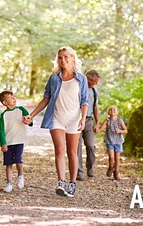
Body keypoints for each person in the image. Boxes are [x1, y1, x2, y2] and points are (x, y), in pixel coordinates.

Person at [24, 46, 89, 197]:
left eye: (66, 56)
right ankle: (61, 182)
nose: (63, 60)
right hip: (56, 118)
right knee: (59, 150)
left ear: (73, 58)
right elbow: (46, 98)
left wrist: (83, 119)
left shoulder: (81, 78)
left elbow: (85, 101)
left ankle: (72, 183)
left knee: (72, 152)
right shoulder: (54, 77)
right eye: (60, 57)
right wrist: (31, 115)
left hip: (74, 119)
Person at [0, 91, 33, 193]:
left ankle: (20, 176)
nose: (14, 98)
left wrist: (28, 121)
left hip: (19, 140)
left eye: (14, 96)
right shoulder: (3, 115)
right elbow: (1, 130)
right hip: (8, 142)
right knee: (8, 163)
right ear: (5, 102)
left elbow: (30, 120)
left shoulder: (21, 109)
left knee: (18, 160)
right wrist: (3, 143)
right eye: (11, 97)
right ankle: (9, 183)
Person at [76, 69, 101, 181]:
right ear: (88, 79)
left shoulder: (94, 91)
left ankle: (90, 167)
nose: (96, 84)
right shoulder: (78, 87)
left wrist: (97, 123)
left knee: (91, 146)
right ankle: (79, 172)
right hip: (76, 120)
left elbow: (96, 107)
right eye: (94, 81)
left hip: (88, 120)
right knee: (77, 147)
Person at [97, 105, 127, 181]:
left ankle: (116, 172)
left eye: (114, 110)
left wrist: (119, 131)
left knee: (117, 158)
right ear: (108, 112)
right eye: (110, 110)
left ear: (117, 112)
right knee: (111, 157)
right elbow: (100, 129)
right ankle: (110, 167)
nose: (112, 111)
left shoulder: (120, 120)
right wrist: (96, 129)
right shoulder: (107, 120)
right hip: (109, 141)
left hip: (118, 142)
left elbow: (125, 130)